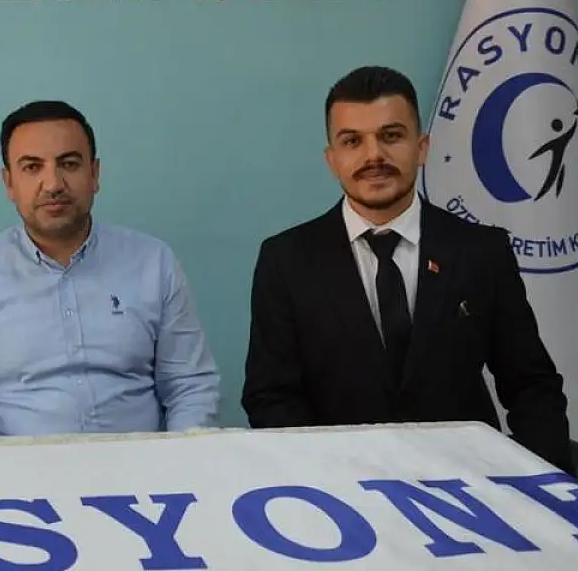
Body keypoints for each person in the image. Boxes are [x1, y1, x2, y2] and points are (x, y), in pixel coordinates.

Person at [242, 66, 574, 474]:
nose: (373, 156)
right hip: (342, 489)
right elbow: (271, 397)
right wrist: (328, 482)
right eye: (352, 141)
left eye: (391, 135)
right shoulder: (286, 260)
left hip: (469, 483)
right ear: (332, 159)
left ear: (422, 147)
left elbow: (531, 386)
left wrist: (543, 487)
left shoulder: (481, 252)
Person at [0, 100, 222, 437]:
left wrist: (179, 459)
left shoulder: (154, 262)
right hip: (18, 466)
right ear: (9, 182)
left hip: (138, 466)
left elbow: (190, 388)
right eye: (32, 167)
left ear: (94, 174)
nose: (53, 184)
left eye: (69, 164)